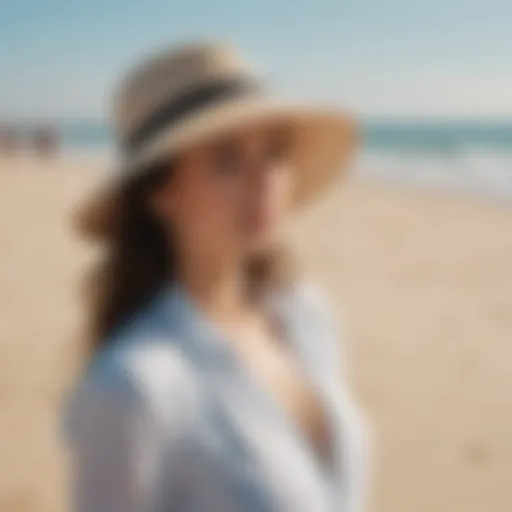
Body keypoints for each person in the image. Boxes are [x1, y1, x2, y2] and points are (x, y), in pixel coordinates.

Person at [63, 42, 369, 512]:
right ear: (159, 192)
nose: (264, 180)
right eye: (227, 158)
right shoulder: (134, 386)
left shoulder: (305, 315)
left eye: (274, 152)